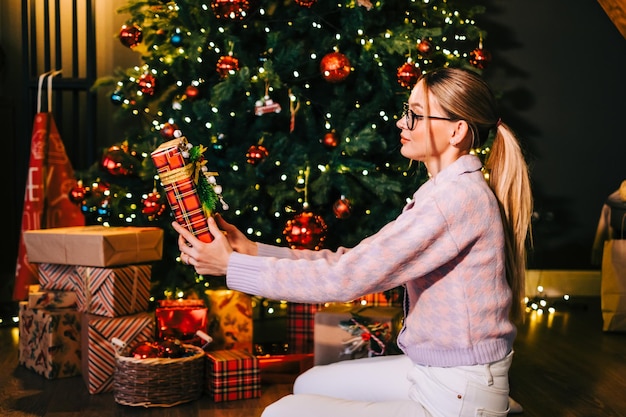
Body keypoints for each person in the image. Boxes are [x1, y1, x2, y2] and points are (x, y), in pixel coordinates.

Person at [172, 67, 533, 417]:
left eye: (417, 116)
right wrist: (253, 251)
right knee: (308, 384)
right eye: (406, 111)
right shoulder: (443, 190)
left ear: (456, 131)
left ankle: (484, 409)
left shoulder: (453, 200)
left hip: (455, 392)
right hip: (431, 371)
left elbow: (345, 278)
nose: (401, 123)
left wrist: (232, 266)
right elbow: (350, 260)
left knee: (280, 413)